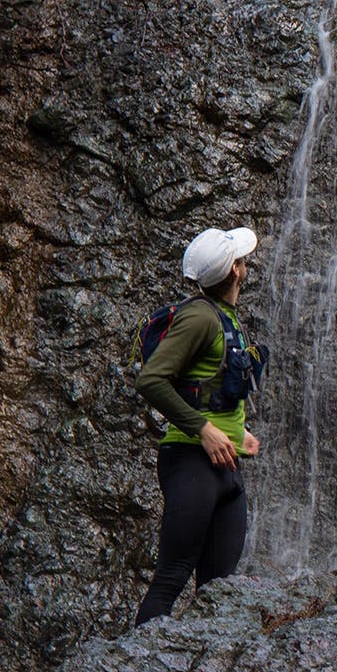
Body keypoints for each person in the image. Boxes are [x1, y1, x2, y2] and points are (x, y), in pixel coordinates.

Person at [134, 226, 264, 623]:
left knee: (219, 593)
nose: (245, 267)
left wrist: (234, 429)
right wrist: (205, 430)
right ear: (236, 271)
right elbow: (151, 380)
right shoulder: (199, 317)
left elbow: (208, 388)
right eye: (242, 262)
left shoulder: (227, 318)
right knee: (171, 578)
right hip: (191, 463)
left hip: (227, 470)